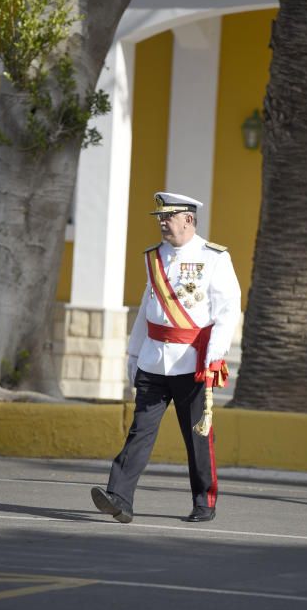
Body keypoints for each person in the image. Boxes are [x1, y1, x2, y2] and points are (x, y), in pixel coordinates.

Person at [91, 191, 241, 523]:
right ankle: (119, 497)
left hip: (192, 362)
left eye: (168, 216)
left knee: (198, 436)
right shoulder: (153, 256)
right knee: (140, 430)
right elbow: (148, 310)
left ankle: (204, 501)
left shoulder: (214, 256)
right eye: (160, 216)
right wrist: (133, 354)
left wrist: (214, 354)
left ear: (188, 218)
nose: (162, 222)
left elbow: (227, 310)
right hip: (154, 361)